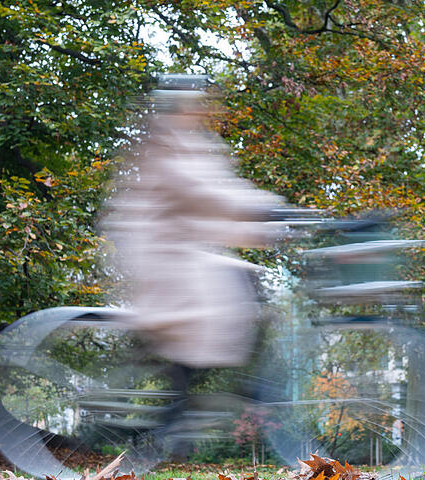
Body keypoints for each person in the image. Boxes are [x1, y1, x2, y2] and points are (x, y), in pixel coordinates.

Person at [101, 74, 286, 371]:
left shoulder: (191, 144)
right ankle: (187, 405)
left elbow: (211, 210)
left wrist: (259, 229)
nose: (205, 110)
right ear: (182, 107)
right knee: (218, 305)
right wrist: (264, 210)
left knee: (248, 284)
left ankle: (194, 398)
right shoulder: (165, 147)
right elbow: (201, 194)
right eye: (198, 104)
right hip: (160, 259)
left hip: (180, 254)